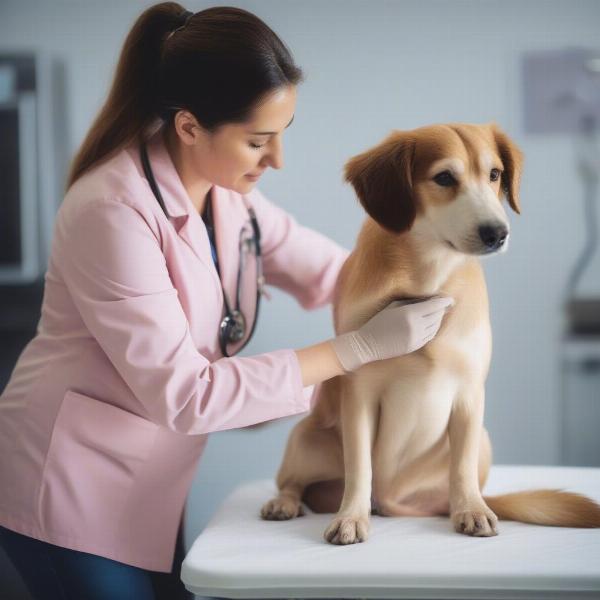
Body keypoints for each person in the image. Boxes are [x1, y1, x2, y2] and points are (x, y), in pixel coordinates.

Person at [0, 3, 453, 599]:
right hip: (70, 489)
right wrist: (360, 347)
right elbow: (188, 394)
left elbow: (334, 274)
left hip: (147, 483)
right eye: (258, 141)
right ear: (189, 126)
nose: (277, 160)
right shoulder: (111, 211)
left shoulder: (227, 197)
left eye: (283, 134)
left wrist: (435, 285)